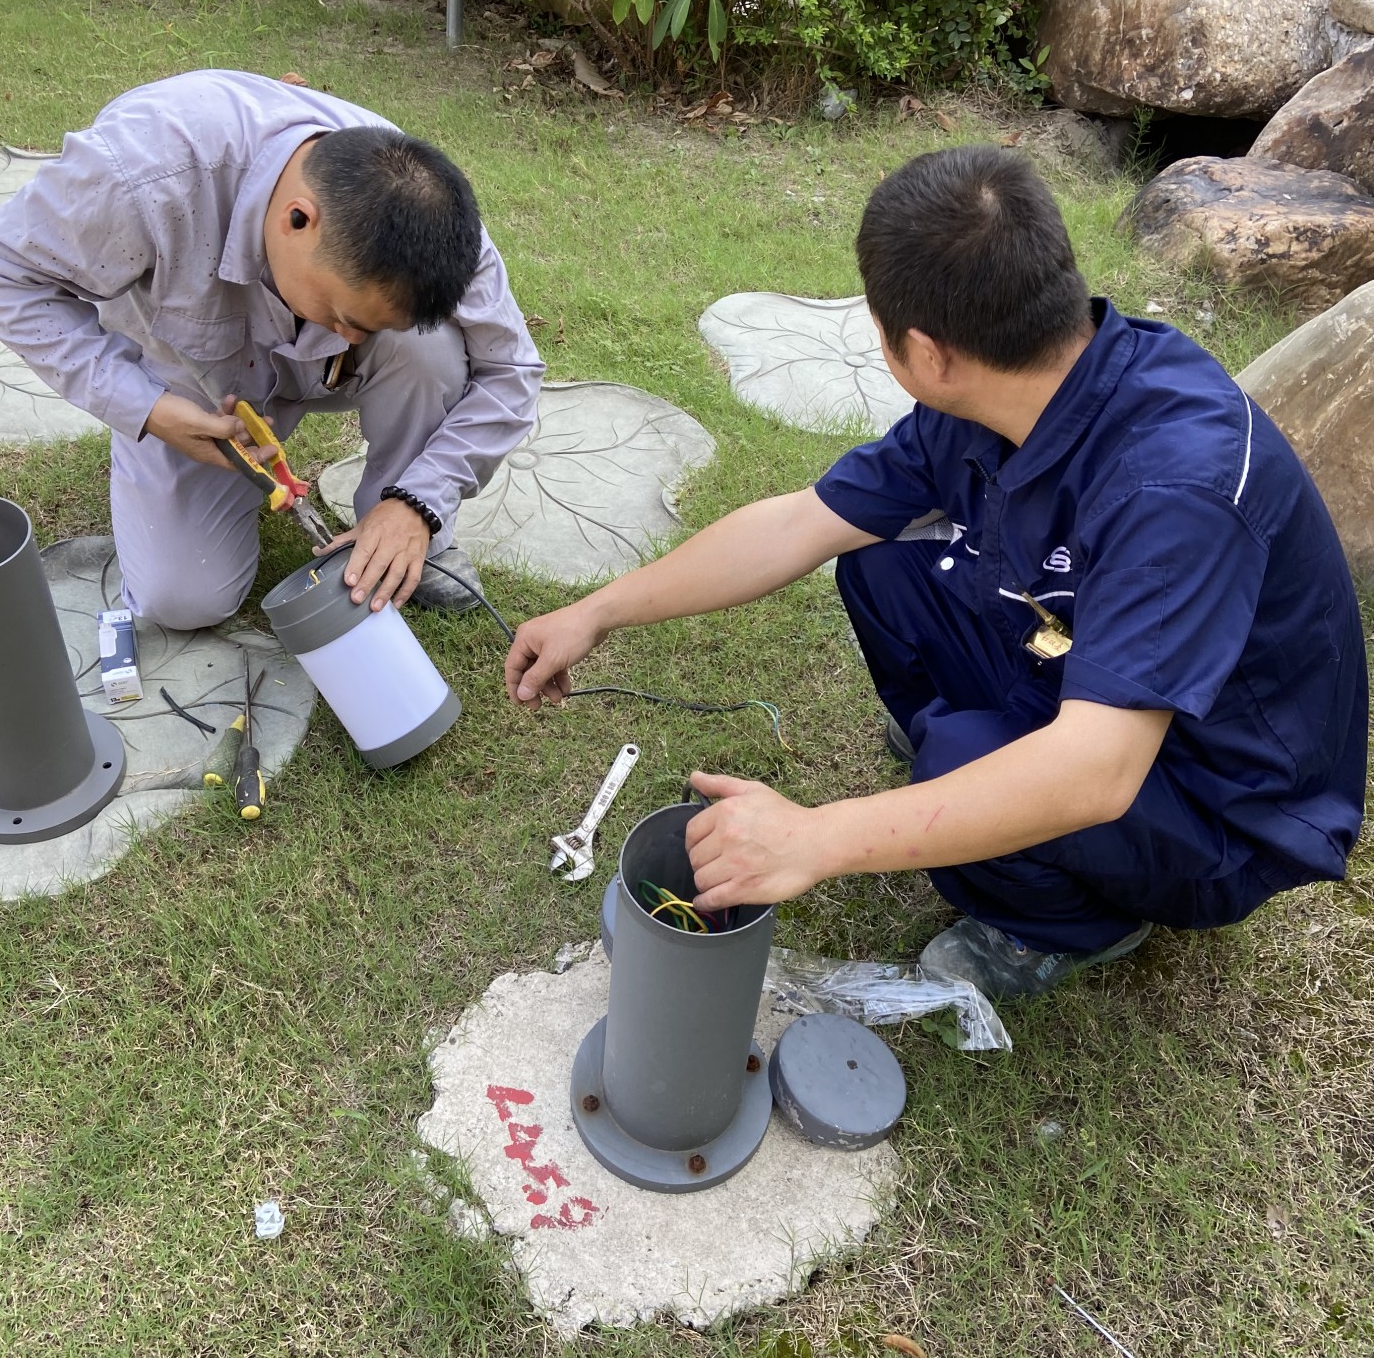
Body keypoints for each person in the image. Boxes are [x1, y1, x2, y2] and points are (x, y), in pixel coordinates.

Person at [504, 145, 1367, 1001]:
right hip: (1092, 680)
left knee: (957, 757)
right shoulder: (1016, 388)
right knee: (879, 566)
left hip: (1219, 802)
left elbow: (1095, 773)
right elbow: (801, 524)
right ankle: (981, 784)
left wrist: (817, 838)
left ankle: (1069, 922)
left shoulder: (1179, 486)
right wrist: (600, 611)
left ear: (926, 349)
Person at [0, 69, 542, 629]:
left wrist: (421, 499)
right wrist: (146, 409)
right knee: (182, 598)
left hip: (311, 379)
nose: (352, 342)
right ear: (297, 219)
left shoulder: (432, 220)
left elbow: (511, 369)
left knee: (427, 348)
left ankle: (402, 530)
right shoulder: (142, 176)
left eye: (366, 329)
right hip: (194, 382)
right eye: (343, 317)